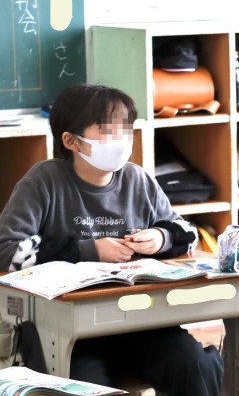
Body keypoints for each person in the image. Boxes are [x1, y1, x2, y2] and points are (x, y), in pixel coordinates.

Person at [0, 84, 223, 396]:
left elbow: (187, 233)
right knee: (85, 387)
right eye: (107, 131)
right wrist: (87, 250)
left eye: (126, 129)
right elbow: (8, 251)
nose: (121, 140)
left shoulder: (137, 179)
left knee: (195, 364)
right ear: (71, 141)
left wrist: (160, 238)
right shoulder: (44, 181)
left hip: (142, 323)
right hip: (73, 334)